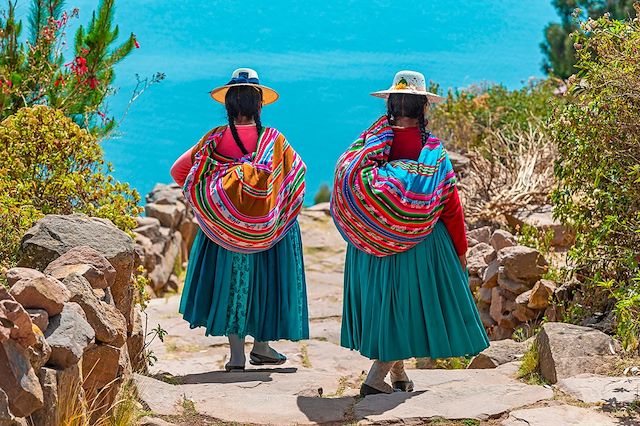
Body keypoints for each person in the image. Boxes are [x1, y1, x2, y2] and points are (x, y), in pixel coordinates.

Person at [331, 70, 489, 396]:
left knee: (387, 307)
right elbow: (450, 205)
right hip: (419, 245)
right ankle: (376, 377)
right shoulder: (432, 152)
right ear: (423, 108)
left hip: (372, 245)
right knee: (405, 307)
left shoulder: (370, 142)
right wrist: (460, 251)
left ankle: (399, 373)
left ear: (391, 104)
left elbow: (348, 175)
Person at [171, 68, 309, 372]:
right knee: (265, 282)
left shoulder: (214, 140)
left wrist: (214, 200)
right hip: (269, 233)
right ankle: (262, 347)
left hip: (224, 233)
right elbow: (297, 176)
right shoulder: (274, 141)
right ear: (259, 106)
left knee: (233, 283)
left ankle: (236, 356)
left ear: (228, 106)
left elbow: (179, 171)